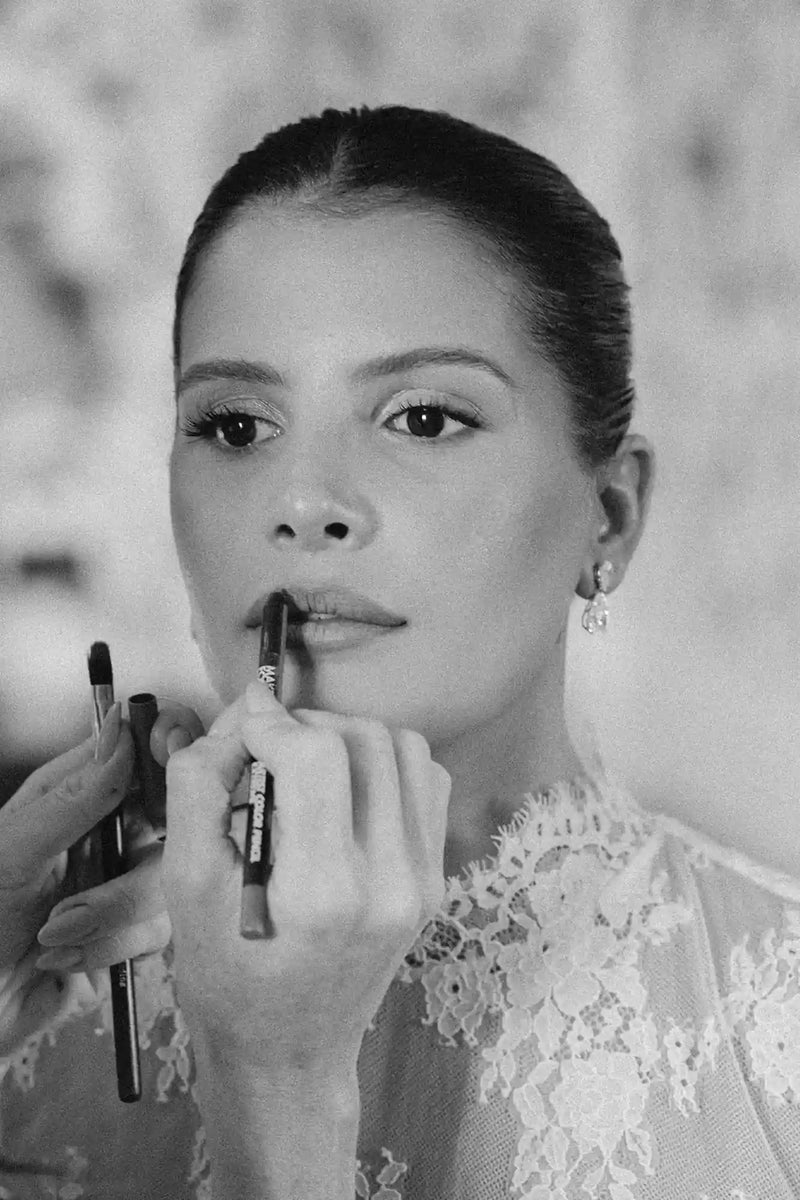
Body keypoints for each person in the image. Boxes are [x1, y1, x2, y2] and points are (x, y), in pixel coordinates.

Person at [1, 104, 799, 1200]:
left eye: (421, 418)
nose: (301, 503)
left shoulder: (776, 1029)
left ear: (607, 515)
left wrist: (275, 1082)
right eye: (234, 426)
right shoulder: (40, 1009)